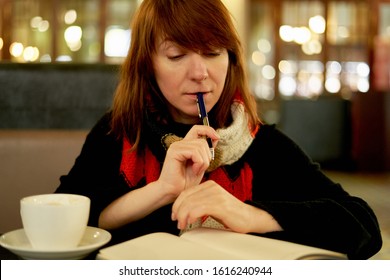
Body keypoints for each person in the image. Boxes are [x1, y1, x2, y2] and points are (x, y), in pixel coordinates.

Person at [56, 0, 382, 259]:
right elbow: (65, 218)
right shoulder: (121, 132)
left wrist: (247, 215)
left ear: (231, 58)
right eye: (177, 54)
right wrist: (162, 190)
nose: (200, 72)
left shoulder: (261, 143)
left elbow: (364, 225)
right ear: (147, 64)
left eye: (213, 52)